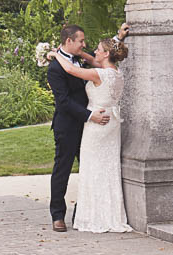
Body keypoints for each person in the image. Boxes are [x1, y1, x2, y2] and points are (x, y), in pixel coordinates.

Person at [47, 23, 128, 232]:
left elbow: (103, 55)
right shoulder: (56, 68)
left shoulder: (86, 65)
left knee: (91, 170)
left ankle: (86, 213)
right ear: (69, 41)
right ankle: (58, 215)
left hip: (93, 125)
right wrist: (89, 115)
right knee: (62, 170)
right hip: (70, 125)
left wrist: (118, 38)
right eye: (81, 41)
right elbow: (63, 101)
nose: (86, 46)